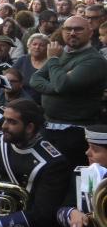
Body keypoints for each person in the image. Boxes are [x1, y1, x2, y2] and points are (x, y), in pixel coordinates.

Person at [0, 99, 70, 227]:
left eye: (12, 122)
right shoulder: (1, 142)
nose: (3, 126)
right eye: (5, 119)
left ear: (29, 128)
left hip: (22, 221)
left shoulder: (53, 163)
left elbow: (42, 215)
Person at [30, 16, 107, 171]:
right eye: (67, 29)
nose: (72, 33)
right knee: (46, 174)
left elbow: (63, 85)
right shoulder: (62, 54)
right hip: (48, 126)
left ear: (90, 32)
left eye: (78, 29)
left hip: (74, 132)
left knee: (64, 176)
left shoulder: (94, 60)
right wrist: (57, 87)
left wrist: (52, 60)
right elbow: (35, 79)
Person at [12, 33, 49, 103]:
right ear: (29, 46)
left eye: (41, 45)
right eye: (34, 44)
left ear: (47, 48)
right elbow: (10, 75)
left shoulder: (50, 63)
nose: (37, 47)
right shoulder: (22, 59)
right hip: (18, 99)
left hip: (40, 102)